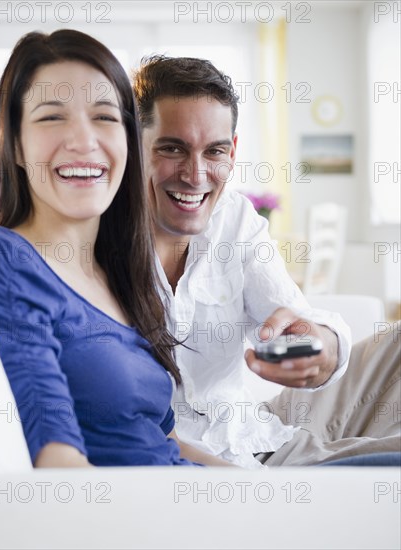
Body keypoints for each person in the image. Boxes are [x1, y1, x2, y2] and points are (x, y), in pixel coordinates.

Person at [0, 31, 232, 468]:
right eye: (52, 117)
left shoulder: (119, 272)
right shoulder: (1, 259)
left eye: (105, 117)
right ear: (13, 143)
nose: (84, 141)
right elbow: (59, 464)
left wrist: (258, 491)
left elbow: (164, 440)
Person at [132, 55, 401, 468]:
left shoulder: (235, 218)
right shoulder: (94, 239)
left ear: (233, 151)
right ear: (134, 146)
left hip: (257, 427)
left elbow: (297, 316)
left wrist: (320, 349)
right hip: (211, 457)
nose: (195, 174)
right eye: (172, 148)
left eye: (215, 151)